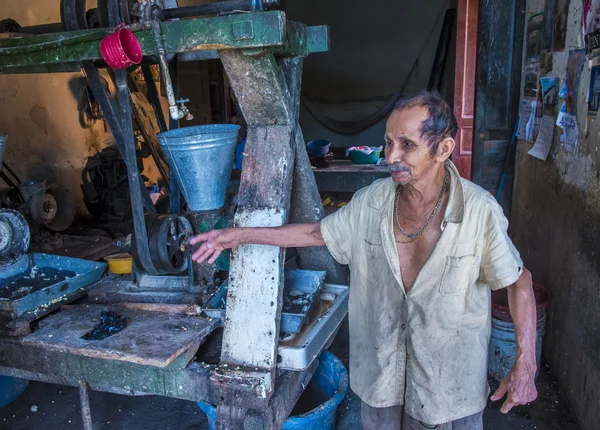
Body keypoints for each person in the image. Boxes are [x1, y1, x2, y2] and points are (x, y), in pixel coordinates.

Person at [190, 91, 538, 429]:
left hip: (449, 387)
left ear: (443, 149)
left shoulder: (479, 212)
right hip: (381, 378)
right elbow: (315, 234)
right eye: (388, 143)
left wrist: (526, 363)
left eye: (407, 144)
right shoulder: (370, 203)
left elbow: (518, 281)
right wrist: (237, 235)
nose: (391, 156)